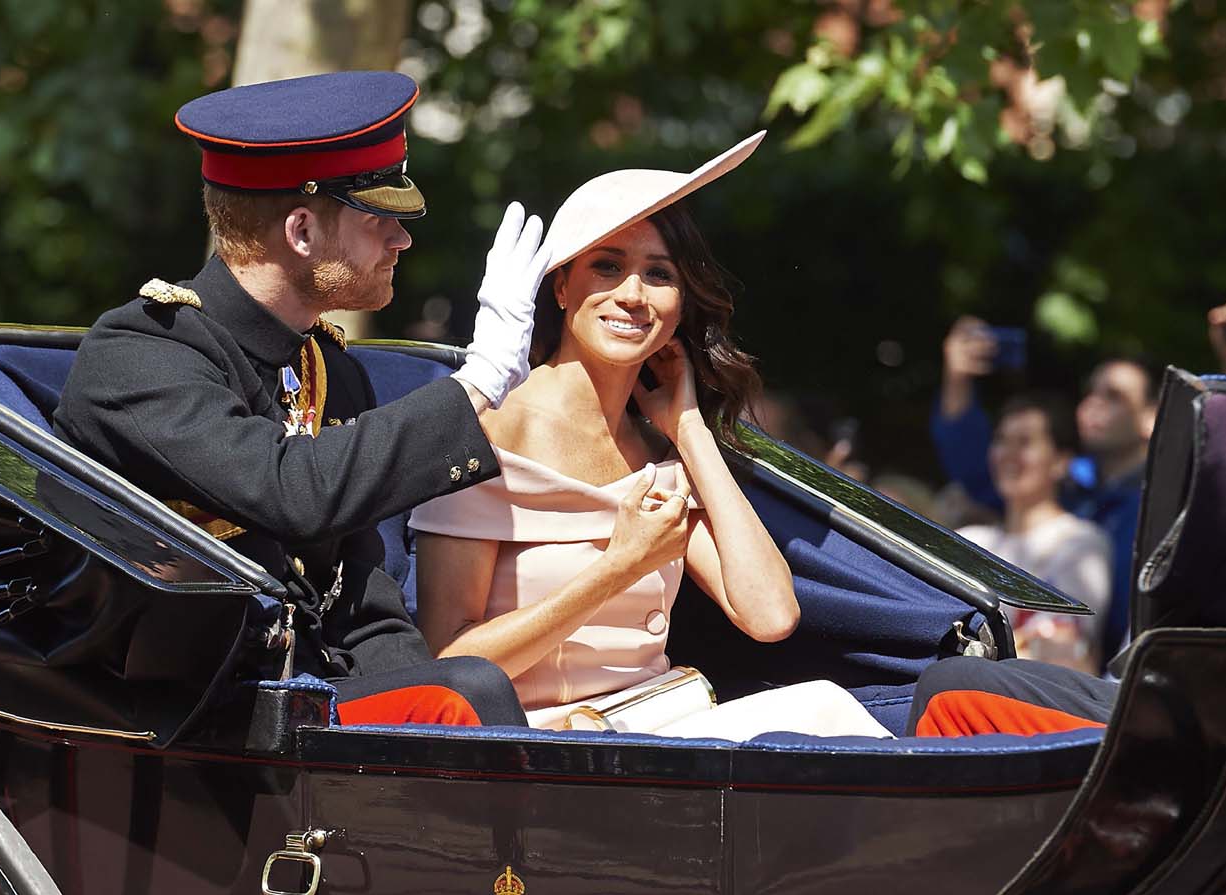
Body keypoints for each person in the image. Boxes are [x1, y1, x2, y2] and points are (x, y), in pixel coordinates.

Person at [55, 71, 548, 726]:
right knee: (471, 694)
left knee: (467, 700)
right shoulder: (142, 356)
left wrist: (429, 725)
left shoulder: (327, 369)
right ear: (302, 232)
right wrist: (479, 379)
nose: (401, 241)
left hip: (300, 710)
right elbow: (293, 491)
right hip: (185, 715)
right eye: (380, 221)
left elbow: (365, 613)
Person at [411, 134, 900, 740]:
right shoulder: (484, 433)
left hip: (665, 728)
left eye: (658, 274)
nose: (633, 295)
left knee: (830, 718)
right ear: (561, 288)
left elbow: (771, 614)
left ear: (679, 303)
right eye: (608, 266)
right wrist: (619, 567)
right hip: (539, 755)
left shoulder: (660, 454)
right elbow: (447, 669)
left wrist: (689, 430)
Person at [932, 319, 1157, 665]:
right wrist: (958, 377)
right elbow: (977, 468)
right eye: (1091, 391)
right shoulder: (1076, 490)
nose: (1093, 403)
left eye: (1114, 396)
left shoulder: (1159, 509)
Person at [958, 394, 1110, 674]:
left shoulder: (1081, 543)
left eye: (1025, 442)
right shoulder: (970, 541)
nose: (1008, 454)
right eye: (1002, 440)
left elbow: (1062, 654)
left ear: (1060, 461)